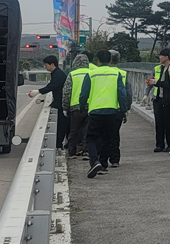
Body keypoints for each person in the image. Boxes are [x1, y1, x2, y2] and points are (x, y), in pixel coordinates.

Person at [79, 49, 130, 178]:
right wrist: (123, 109)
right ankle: (103, 165)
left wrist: (82, 106)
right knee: (108, 138)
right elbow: (122, 93)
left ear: (98, 60)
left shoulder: (91, 74)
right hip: (112, 110)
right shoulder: (116, 74)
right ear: (110, 60)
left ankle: (94, 161)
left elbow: (84, 93)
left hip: (95, 111)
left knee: (91, 138)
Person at [29, 54, 68, 148]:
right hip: (59, 102)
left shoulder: (58, 75)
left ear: (52, 64)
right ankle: (58, 144)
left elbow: (52, 86)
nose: (45, 67)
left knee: (61, 126)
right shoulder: (57, 73)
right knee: (61, 125)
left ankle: (58, 145)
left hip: (61, 104)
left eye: (46, 65)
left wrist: (38, 92)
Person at [62, 53, 91, 157]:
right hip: (90, 106)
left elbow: (67, 92)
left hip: (75, 107)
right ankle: (86, 151)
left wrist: (65, 107)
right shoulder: (92, 73)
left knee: (73, 130)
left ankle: (72, 151)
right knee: (87, 131)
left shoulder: (72, 74)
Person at [149, 50, 170, 153]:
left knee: (169, 123)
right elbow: (151, 81)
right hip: (158, 98)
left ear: (166, 57)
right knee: (159, 123)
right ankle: (159, 144)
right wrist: (147, 93)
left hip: (168, 99)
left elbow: (169, 84)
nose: (159, 58)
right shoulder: (158, 68)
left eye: (161, 56)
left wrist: (157, 82)